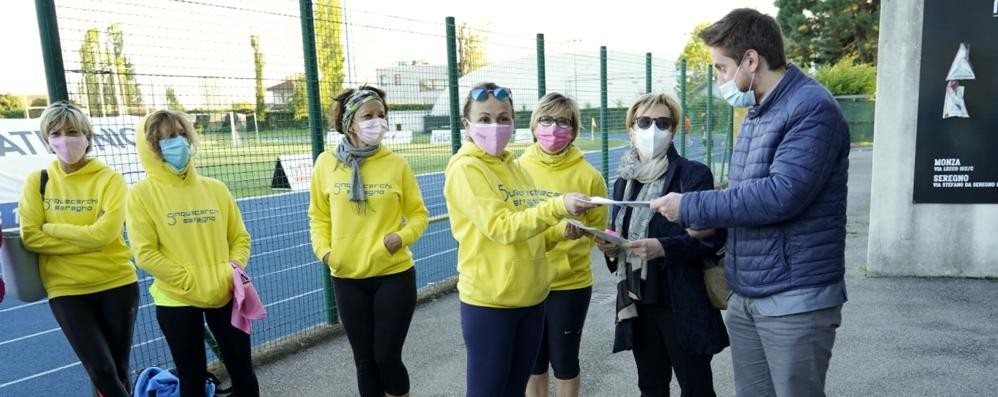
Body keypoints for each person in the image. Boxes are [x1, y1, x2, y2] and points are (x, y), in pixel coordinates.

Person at [650, 8, 850, 397]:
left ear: (751, 60)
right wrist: (715, 226)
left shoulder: (812, 109)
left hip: (794, 296)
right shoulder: (760, 111)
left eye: (722, 68)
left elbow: (781, 194)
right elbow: (748, 199)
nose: (719, 79)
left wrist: (693, 207)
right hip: (750, 291)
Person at [443, 82, 597, 396]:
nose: (495, 126)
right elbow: (502, 228)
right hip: (491, 301)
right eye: (484, 119)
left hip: (532, 298)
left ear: (514, 122)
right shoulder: (466, 170)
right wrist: (557, 206)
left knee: (514, 389)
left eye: (503, 118)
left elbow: (530, 233)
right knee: (488, 390)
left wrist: (559, 231)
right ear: (467, 124)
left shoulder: (516, 169)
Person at [593, 93, 728, 396]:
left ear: (673, 131)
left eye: (662, 123)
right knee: (651, 386)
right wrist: (612, 248)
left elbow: (713, 238)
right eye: (644, 122)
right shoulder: (623, 181)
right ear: (631, 128)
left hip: (680, 300)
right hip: (638, 300)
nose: (653, 129)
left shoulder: (693, 175)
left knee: (696, 387)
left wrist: (663, 247)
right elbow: (623, 233)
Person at [126, 110, 259, 396]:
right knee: (192, 377)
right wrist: (188, 280)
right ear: (150, 148)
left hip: (225, 292)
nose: (175, 143)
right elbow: (145, 254)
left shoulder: (216, 189)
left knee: (243, 370)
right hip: (177, 298)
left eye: (179, 135)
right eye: (163, 139)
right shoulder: (140, 195)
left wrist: (230, 269)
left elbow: (239, 237)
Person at [308, 85, 429, 397]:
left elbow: (419, 215)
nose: (378, 122)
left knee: (386, 358)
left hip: (394, 275)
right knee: (364, 362)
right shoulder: (326, 163)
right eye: (368, 116)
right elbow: (318, 216)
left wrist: (400, 237)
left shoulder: (396, 164)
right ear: (350, 122)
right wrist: (325, 253)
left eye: (381, 115)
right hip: (347, 277)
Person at [18, 101, 139, 397]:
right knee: (101, 371)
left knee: (119, 369)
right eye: (56, 132)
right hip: (66, 290)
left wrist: (51, 228)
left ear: (87, 136)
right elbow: (30, 238)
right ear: (47, 140)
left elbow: (105, 234)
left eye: (72, 131)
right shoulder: (39, 182)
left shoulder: (110, 180)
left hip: (116, 283)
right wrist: (87, 236)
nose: (64, 139)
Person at [518, 92, 608, 397]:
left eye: (563, 122)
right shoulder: (516, 170)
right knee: (532, 361)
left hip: (570, 283)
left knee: (565, 360)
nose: (553, 128)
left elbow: (598, 231)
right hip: (526, 281)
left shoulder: (590, 176)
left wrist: (587, 236)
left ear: (574, 129)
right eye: (546, 119)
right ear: (533, 124)